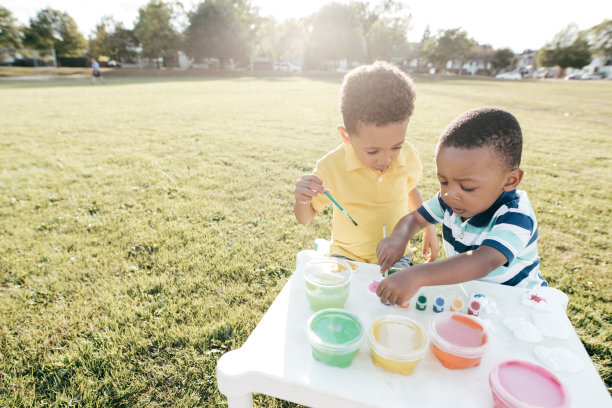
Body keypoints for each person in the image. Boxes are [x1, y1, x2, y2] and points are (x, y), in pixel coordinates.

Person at [376, 107, 547, 307]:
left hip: (517, 303)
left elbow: (484, 260)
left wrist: (417, 275)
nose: (449, 194)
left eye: (467, 187)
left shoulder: (516, 216)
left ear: (510, 180)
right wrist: (399, 236)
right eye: (443, 181)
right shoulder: (448, 201)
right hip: (472, 295)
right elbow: (415, 219)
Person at [294, 61, 439, 268]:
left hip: (396, 254)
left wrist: (429, 228)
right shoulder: (332, 167)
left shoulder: (407, 156)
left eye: (396, 146)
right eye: (373, 151)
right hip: (346, 256)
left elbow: (410, 189)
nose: (386, 159)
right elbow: (305, 217)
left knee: (394, 297)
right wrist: (301, 200)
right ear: (346, 136)